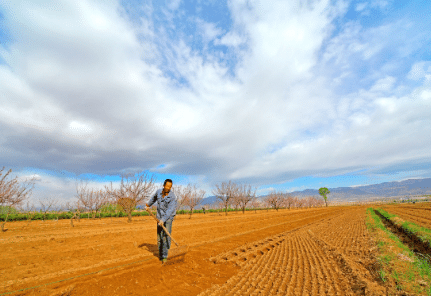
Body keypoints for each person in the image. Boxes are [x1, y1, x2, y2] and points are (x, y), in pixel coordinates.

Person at [146, 179, 177, 263]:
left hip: (168, 218)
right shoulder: (158, 192)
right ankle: (160, 254)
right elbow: (153, 199)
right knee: (159, 236)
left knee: (166, 236)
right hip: (159, 217)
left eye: (170, 187)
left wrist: (163, 220)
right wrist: (148, 205)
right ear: (163, 185)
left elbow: (170, 210)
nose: (168, 188)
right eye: (167, 186)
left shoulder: (172, 196)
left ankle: (165, 256)